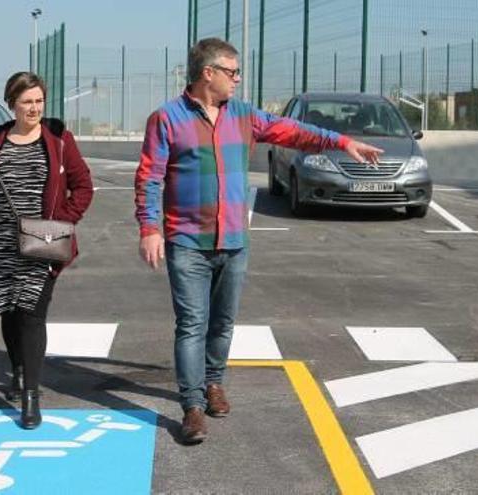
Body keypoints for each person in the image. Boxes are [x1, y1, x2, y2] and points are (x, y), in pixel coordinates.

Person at [134, 38, 383, 444]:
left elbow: (294, 132)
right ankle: (192, 407)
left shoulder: (245, 116)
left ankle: (214, 383)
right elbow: (149, 177)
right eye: (232, 72)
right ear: (207, 74)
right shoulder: (166, 119)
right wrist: (149, 228)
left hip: (234, 239)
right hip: (186, 240)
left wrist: (342, 142)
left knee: (223, 322)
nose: (238, 79)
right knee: (192, 324)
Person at [0, 72, 93, 429]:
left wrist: (61, 222)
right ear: (12, 104)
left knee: (33, 315)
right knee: (10, 311)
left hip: (43, 242)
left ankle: (31, 397)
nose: (34, 108)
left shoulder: (59, 140)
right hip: (2, 242)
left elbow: (83, 187)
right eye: (26, 102)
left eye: (39, 100)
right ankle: (18, 369)